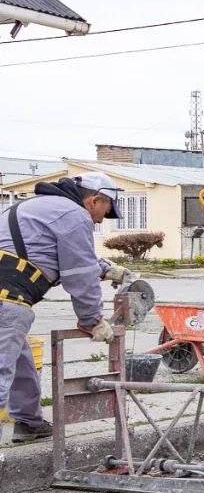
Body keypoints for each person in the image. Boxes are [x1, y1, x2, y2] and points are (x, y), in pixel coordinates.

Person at [0, 173, 128, 448]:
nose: (100, 221)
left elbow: (49, 253)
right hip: (7, 302)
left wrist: (104, 269)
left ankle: (29, 422)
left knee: (20, 360)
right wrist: (92, 320)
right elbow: (79, 274)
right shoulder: (75, 215)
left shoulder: (35, 207)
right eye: (104, 213)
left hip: (8, 302)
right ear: (94, 200)